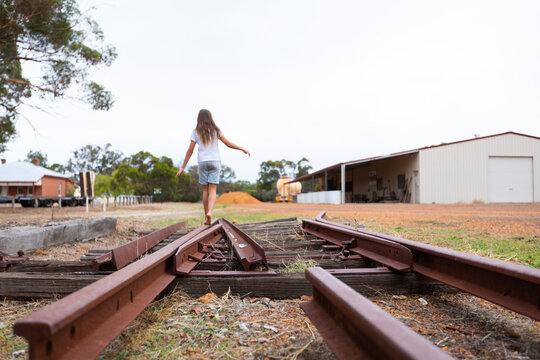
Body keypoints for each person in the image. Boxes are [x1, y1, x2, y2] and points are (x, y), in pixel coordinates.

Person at [176, 109, 250, 225]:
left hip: (202, 163)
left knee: (205, 190)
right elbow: (228, 144)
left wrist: (182, 167)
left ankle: (206, 217)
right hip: (215, 162)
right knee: (213, 189)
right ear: (210, 118)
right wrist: (242, 148)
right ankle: (210, 212)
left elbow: (190, 151)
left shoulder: (195, 132)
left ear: (199, 118)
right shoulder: (216, 130)